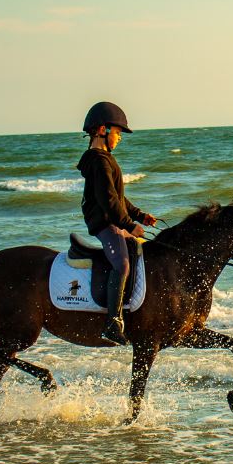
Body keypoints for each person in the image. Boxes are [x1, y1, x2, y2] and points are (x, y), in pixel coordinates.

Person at [76, 101, 157, 345]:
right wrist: (128, 225)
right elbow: (108, 201)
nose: (119, 138)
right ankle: (112, 322)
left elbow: (118, 197)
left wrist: (139, 215)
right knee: (122, 265)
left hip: (111, 219)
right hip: (105, 223)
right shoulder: (99, 161)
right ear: (103, 130)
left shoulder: (104, 160)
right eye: (118, 132)